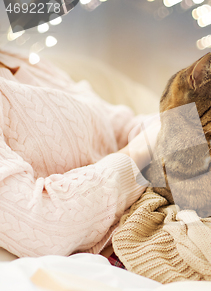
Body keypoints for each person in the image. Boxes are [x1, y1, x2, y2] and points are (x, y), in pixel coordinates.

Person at [0, 49, 160, 257]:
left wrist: (188, 117)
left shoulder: (25, 61)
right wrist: (140, 152)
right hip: (133, 241)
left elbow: (121, 126)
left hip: (153, 204)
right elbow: (44, 227)